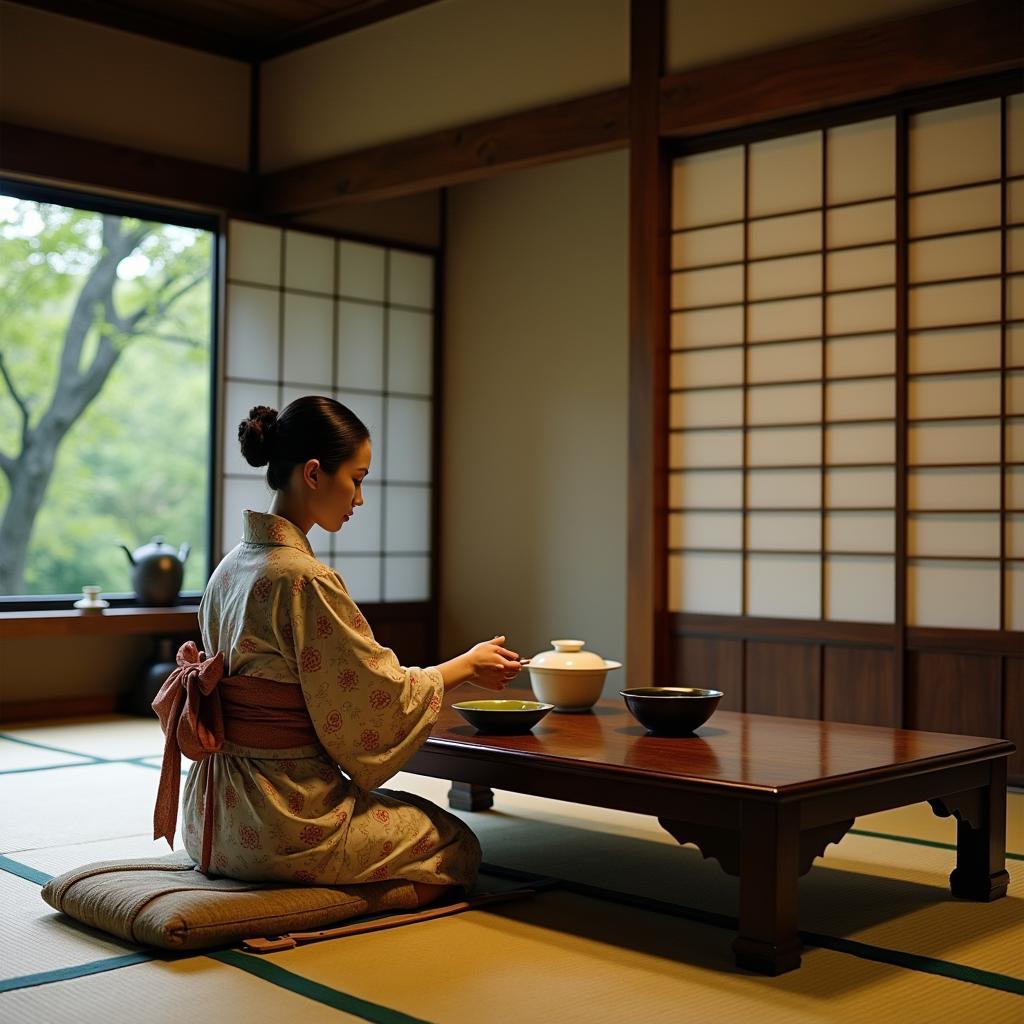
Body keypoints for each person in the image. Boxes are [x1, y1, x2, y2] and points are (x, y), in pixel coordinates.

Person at [152, 395, 522, 909]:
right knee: (454, 844)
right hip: (283, 822)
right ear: (312, 474)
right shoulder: (303, 579)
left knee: (405, 816)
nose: (360, 498)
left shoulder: (229, 568)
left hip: (211, 820)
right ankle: (333, 904)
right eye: (357, 478)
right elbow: (375, 693)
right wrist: (465, 666)